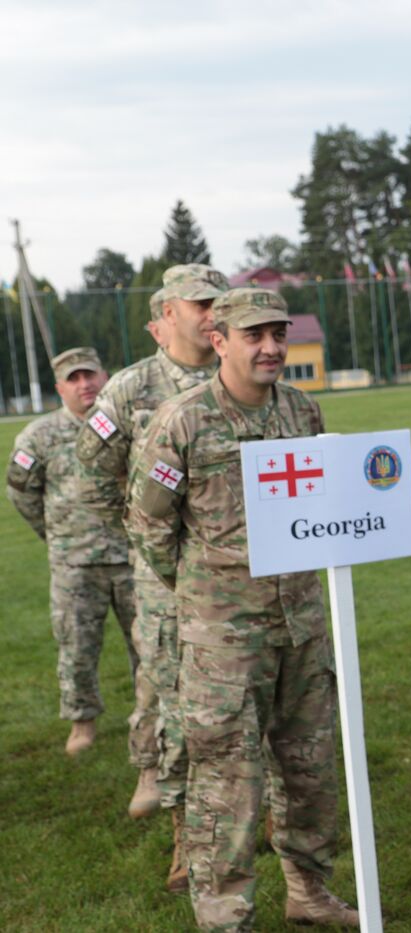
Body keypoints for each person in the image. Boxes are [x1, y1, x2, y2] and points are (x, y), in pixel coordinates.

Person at [128, 287, 356, 930]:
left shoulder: (303, 412)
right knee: (227, 779)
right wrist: (209, 590)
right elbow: (148, 525)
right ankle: (226, 911)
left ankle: (308, 892)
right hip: (224, 640)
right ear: (219, 341)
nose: (271, 348)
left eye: (278, 334)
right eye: (254, 335)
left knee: (309, 769)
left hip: (303, 626)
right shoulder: (183, 420)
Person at [77, 267, 224, 892]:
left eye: (220, 302)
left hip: (239, 576)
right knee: (176, 707)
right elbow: (93, 468)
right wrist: (144, 532)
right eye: (200, 304)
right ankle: (189, 842)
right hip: (167, 582)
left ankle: (259, 817)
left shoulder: (237, 374)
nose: (213, 313)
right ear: (164, 316)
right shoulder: (133, 387)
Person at [7, 347, 135, 756]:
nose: (85, 385)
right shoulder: (38, 436)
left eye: (90, 375)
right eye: (74, 379)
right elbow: (20, 491)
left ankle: (151, 716)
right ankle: (82, 723)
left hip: (133, 557)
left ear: (105, 375)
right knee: (76, 648)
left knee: (150, 645)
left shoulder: (128, 426)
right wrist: (55, 533)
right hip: (74, 564)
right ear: (59, 387)